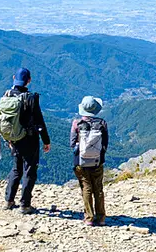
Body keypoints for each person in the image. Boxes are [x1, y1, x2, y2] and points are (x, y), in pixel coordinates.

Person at [3, 68, 51, 214]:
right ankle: (25, 205)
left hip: (14, 138)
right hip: (30, 139)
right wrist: (46, 141)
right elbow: (39, 121)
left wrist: (8, 138)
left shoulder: (7, 95)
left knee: (16, 169)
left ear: (13, 78)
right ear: (29, 80)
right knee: (29, 170)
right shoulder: (31, 98)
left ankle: (9, 201)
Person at [70, 96, 109, 226]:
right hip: (97, 161)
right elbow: (105, 144)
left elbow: (72, 143)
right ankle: (101, 217)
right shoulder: (102, 124)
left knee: (86, 187)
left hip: (81, 162)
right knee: (98, 188)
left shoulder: (77, 123)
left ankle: (89, 218)